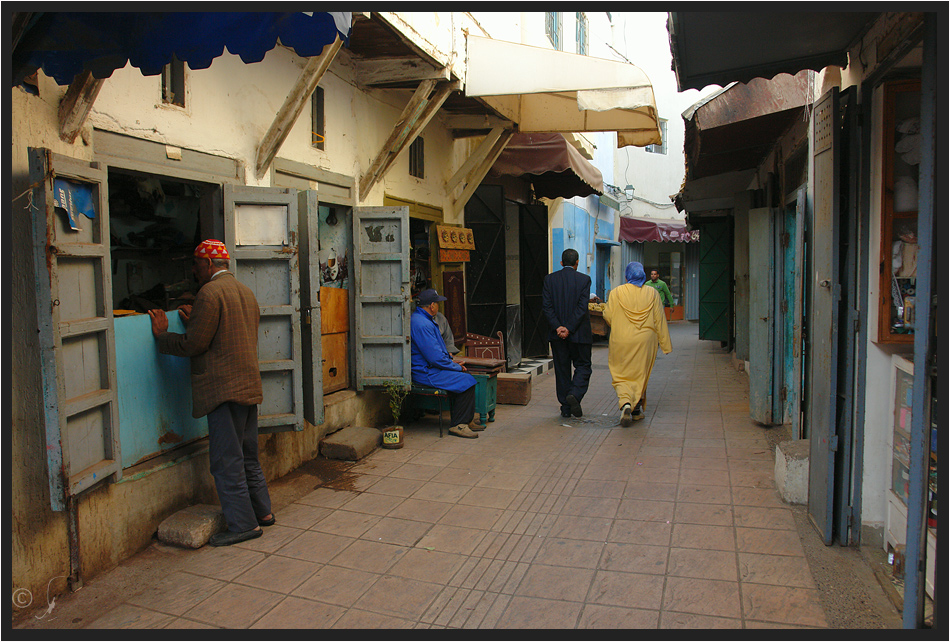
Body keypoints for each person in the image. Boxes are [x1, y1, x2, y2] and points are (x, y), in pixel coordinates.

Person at [147, 239, 274, 546]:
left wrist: (163, 337)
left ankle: (244, 525)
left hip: (223, 390)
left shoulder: (210, 292)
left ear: (207, 264)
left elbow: (194, 345)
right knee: (247, 456)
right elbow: (228, 333)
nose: (193, 270)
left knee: (225, 461)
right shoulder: (244, 291)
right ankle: (263, 513)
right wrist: (197, 323)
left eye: (195, 263)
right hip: (247, 386)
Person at [603, 261, 673, 426]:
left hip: (621, 339)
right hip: (645, 340)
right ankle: (635, 409)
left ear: (627, 276)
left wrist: (620, 325)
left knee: (621, 373)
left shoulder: (616, 292)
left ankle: (626, 402)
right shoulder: (653, 293)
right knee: (640, 374)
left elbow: (608, 316)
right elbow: (659, 319)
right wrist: (665, 344)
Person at [411, 288, 480, 438]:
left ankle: (464, 421)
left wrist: (453, 364)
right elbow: (434, 357)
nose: (438, 306)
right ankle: (459, 425)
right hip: (426, 372)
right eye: (437, 303)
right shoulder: (422, 323)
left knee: (465, 376)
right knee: (467, 380)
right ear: (432, 305)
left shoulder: (423, 319)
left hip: (430, 368)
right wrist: (455, 366)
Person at [542, 248, 593, 418]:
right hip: (579, 334)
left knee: (562, 369)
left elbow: (547, 307)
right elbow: (581, 307)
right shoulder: (584, 280)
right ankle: (575, 394)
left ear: (561, 262)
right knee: (583, 366)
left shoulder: (549, 280)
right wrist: (569, 328)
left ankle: (565, 407)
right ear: (577, 263)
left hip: (557, 336)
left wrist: (558, 327)